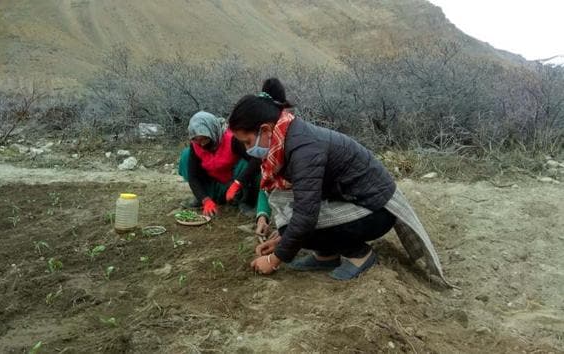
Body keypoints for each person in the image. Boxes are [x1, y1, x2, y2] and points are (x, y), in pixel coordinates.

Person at [228, 78, 450, 284]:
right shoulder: (289, 136)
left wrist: (274, 259)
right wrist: (282, 241)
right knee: (289, 223)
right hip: (357, 199)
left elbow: (306, 216)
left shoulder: (303, 148)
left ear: (265, 129)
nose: (249, 150)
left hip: (377, 211)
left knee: (296, 223)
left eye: (248, 142)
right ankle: (326, 255)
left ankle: (359, 255)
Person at [178, 111, 262, 217]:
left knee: (252, 167)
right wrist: (205, 200)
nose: (202, 144)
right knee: (186, 155)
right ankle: (204, 197)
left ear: (212, 132)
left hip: (233, 179)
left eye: (205, 139)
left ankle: (248, 201)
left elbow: (256, 160)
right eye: (197, 140)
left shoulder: (232, 139)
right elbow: (193, 176)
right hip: (213, 180)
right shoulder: (195, 145)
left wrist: (238, 182)